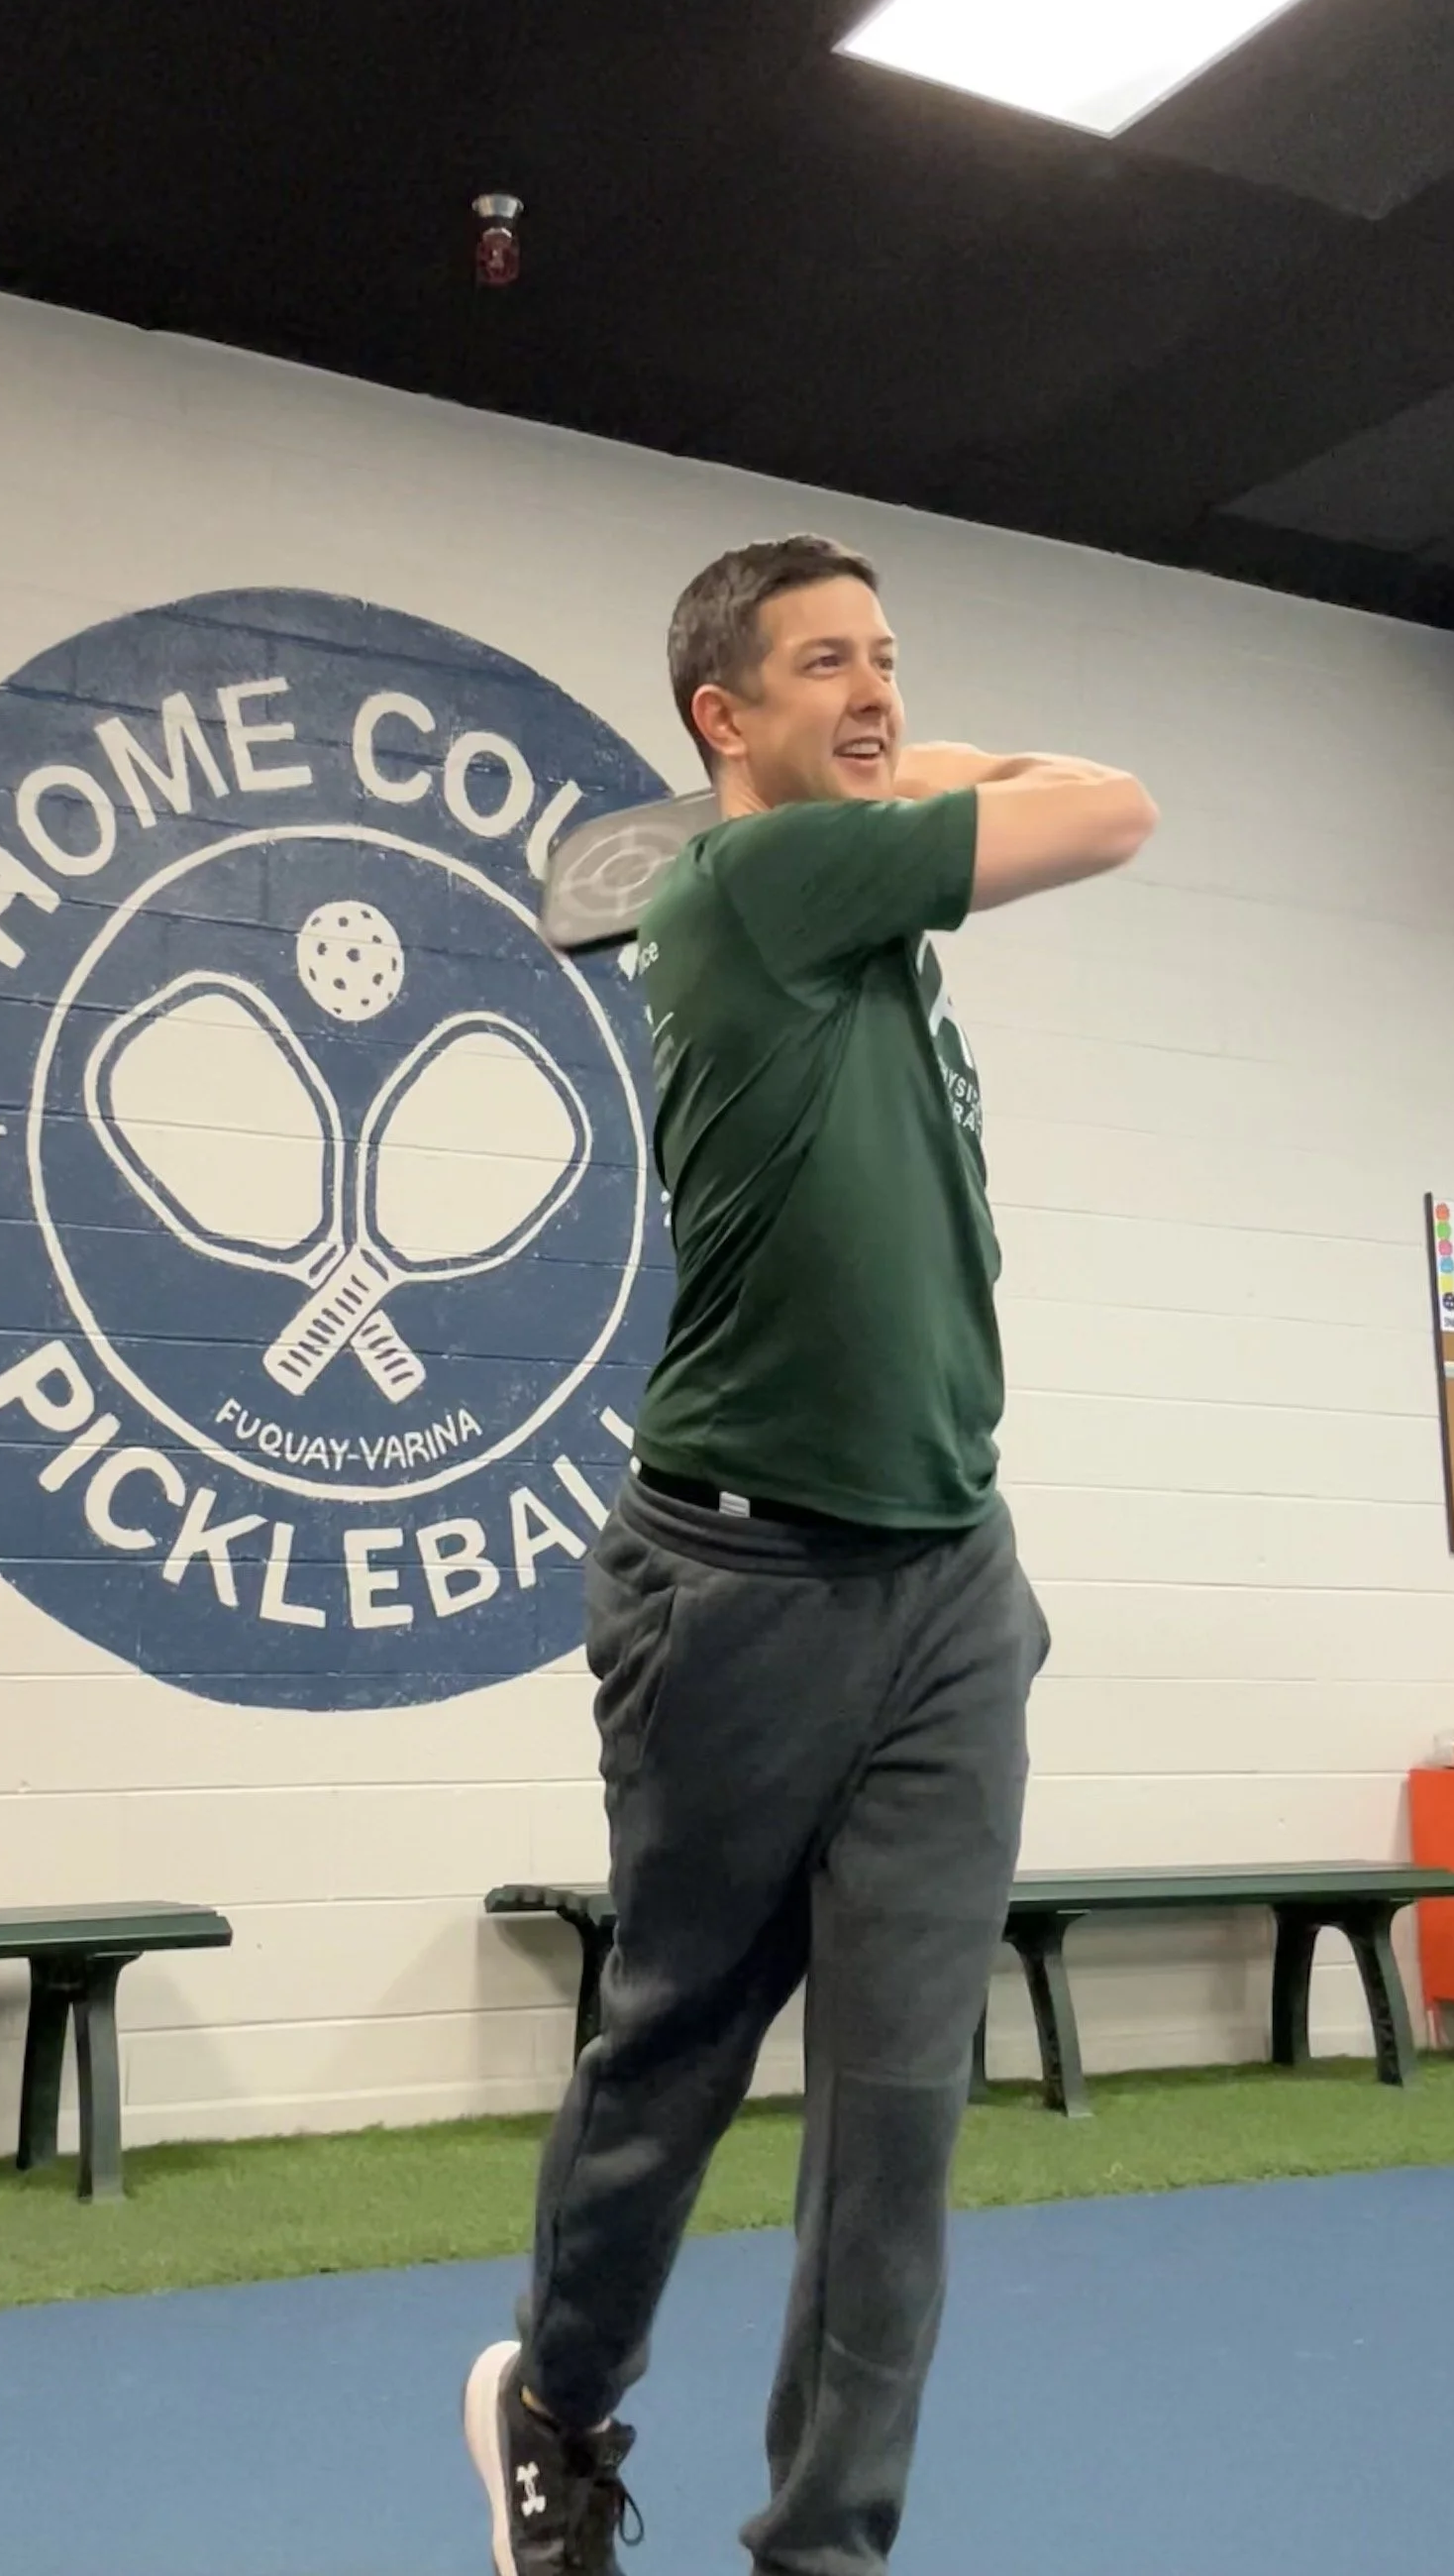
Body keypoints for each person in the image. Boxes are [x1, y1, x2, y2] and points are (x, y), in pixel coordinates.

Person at [465, 532, 1158, 2576]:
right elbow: (1110, 801)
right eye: (824, 663)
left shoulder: (851, 901)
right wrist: (866, 770)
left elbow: (1033, 780)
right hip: (742, 1592)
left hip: (950, 1576)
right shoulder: (763, 886)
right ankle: (559, 2403)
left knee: (900, 2111)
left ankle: (826, 2548)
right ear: (718, 716)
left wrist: (852, 744)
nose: (874, 688)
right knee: (674, 2046)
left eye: (889, 656)